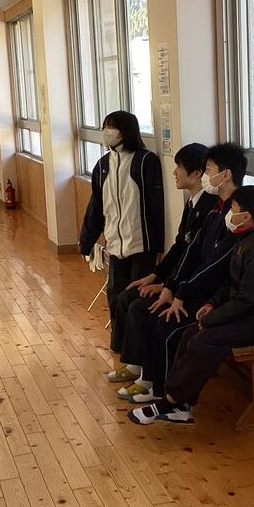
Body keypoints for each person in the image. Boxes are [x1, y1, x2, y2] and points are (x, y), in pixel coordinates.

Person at [128, 185, 254, 425]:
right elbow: (232, 285)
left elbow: (249, 300)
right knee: (189, 334)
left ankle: (171, 401)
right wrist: (211, 303)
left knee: (203, 339)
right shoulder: (247, 240)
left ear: (246, 216)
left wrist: (211, 319)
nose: (229, 214)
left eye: (233, 209)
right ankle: (180, 405)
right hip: (250, 313)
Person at [120, 143, 247, 403]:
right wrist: (170, 285)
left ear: (226, 175)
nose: (205, 175)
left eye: (209, 169)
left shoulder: (236, 214)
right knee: (149, 309)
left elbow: (216, 266)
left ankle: (164, 393)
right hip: (195, 289)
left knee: (163, 321)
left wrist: (181, 293)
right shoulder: (216, 209)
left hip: (215, 297)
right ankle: (150, 380)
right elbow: (191, 250)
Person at [109, 143, 217, 387]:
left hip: (190, 289)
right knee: (127, 297)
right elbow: (179, 247)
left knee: (141, 307)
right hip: (175, 281)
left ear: (197, 173)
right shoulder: (192, 203)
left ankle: (149, 378)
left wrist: (169, 287)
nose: (174, 172)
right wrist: (154, 276)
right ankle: (135, 365)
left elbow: (195, 259)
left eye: (179, 167)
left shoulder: (209, 207)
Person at [78, 111, 164, 377]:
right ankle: (121, 351)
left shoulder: (145, 161)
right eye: (105, 127)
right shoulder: (102, 165)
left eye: (111, 127)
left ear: (126, 131)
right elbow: (96, 206)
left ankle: (137, 360)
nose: (107, 132)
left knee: (136, 301)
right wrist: (86, 240)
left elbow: (157, 206)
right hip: (115, 246)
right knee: (116, 299)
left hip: (142, 246)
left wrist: (159, 247)